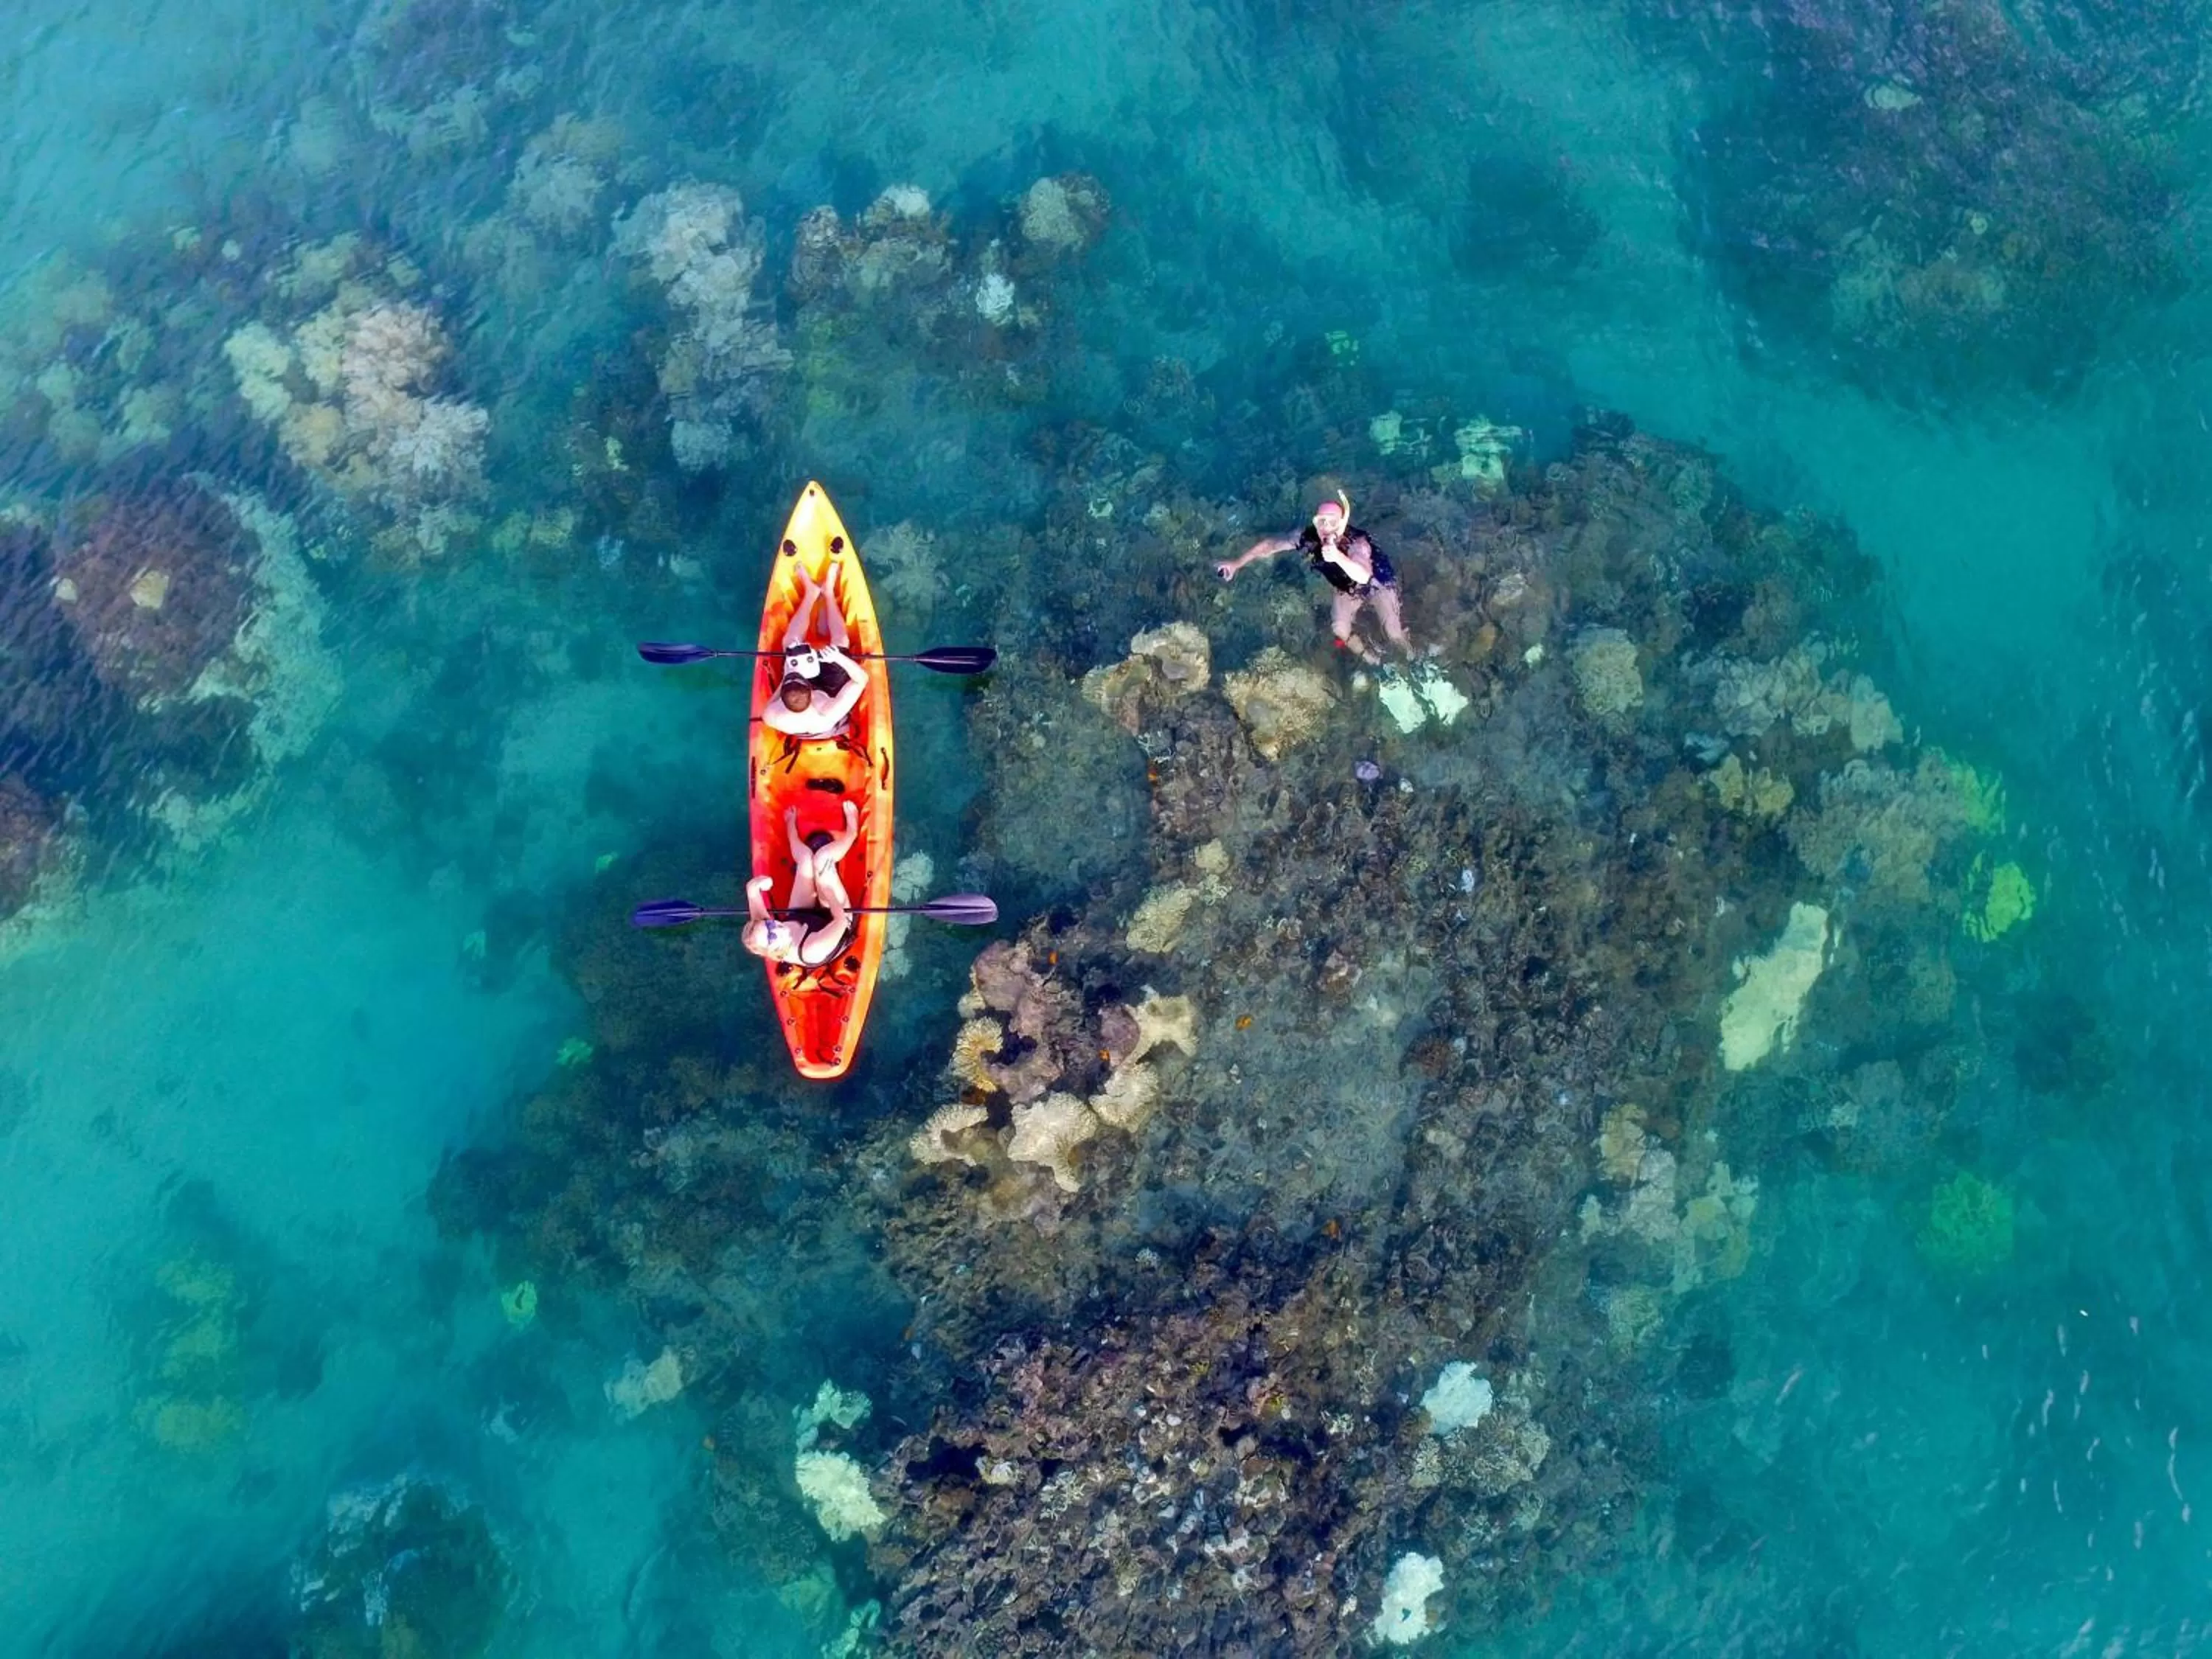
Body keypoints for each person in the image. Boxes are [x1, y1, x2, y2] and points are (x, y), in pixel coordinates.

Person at [1215, 490, 1413, 663]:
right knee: (1339, 629)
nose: (1326, 527)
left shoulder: (1357, 543)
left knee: (1393, 632)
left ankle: (1410, 655)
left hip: (1379, 583)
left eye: (1332, 522)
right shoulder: (1308, 538)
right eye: (1321, 521)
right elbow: (1270, 545)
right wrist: (1237, 563)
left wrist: (1338, 557)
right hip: (1346, 588)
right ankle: (1370, 660)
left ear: (1342, 524)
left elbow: (1364, 576)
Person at [742, 800, 860, 969]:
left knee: (806, 859)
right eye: (771, 937)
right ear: (771, 951)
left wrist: (758, 884)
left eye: (768, 924)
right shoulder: (812, 949)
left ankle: (791, 830)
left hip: (803, 917)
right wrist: (828, 892)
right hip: (837, 921)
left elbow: (752, 891)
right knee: (823, 859)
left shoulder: (764, 930)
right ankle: (852, 833)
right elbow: (840, 922)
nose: (775, 927)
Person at [762, 563, 867, 740]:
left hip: (800, 692)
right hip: (829, 691)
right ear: (810, 692)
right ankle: (829, 594)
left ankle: (811, 594)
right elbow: (861, 680)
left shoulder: (770, 715)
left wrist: (791, 670)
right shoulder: (828, 713)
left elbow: (783, 689)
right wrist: (838, 657)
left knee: (790, 643)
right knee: (840, 642)